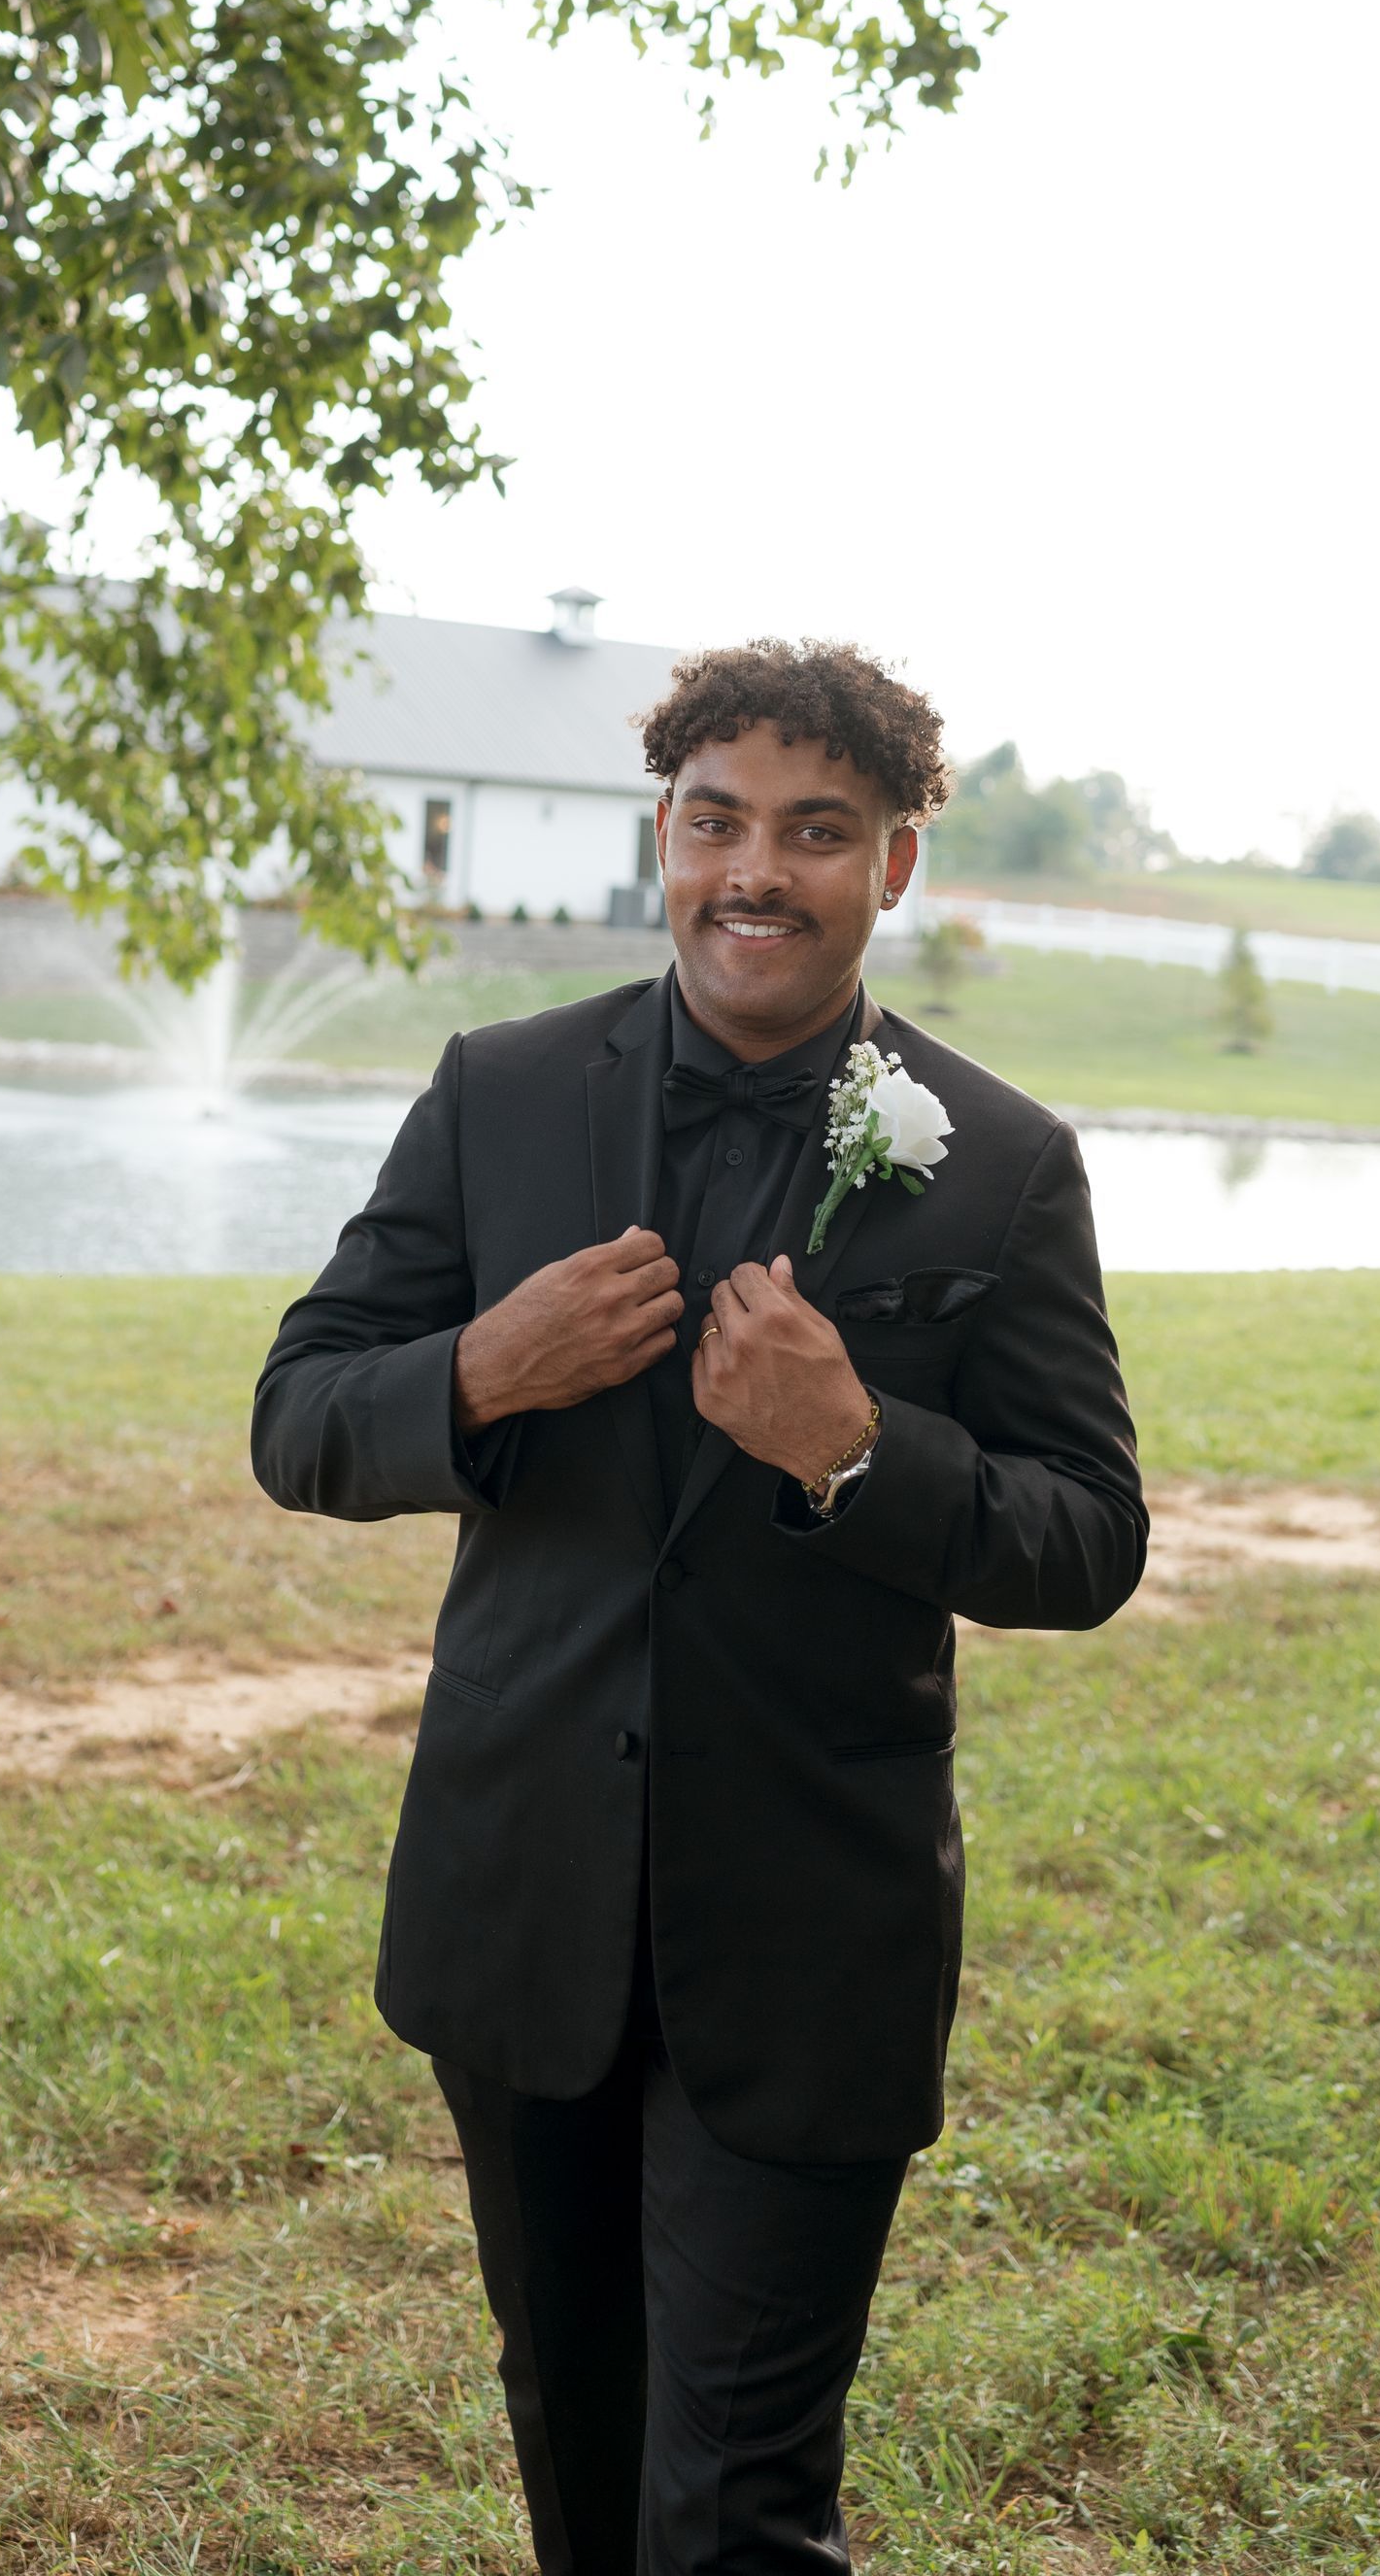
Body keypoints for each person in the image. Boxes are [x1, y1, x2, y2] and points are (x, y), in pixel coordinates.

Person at [252, 638, 1147, 2573]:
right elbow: (297, 1419)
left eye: (816, 832)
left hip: (811, 1937)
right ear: (660, 834)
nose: (757, 871)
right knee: (576, 2448)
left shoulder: (1000, 1163)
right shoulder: (497, 1093)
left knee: (736, 2504)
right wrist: (477, 1370)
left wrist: (857, 1451)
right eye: (717, 821)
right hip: (520, 1902)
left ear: (893, 864)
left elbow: (1089, 1538)